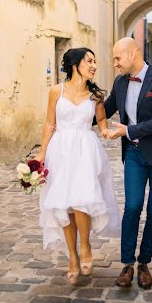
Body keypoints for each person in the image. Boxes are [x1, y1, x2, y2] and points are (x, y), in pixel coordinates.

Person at [35, 47, 120, 284]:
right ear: (75, 64)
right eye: (89, 61)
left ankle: (85, 246)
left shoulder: (96, 96)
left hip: (85, 150)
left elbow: (101, 120)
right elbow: (50, 123)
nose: (94, 65)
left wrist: (107, 132)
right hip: (60, 151)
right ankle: (72, 257)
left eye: (95, 61)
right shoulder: (56, 91)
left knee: (83, 200)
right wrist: (42, 153)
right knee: (64, 204)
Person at [105, 37, 152, 289]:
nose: (115, 63)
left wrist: (128, 131)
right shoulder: (119, 82)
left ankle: (144, 263)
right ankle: (127, 264)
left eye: (118, 58)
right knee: (132, 207)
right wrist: (71, 108)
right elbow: (103, 111)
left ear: (133, 53)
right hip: (135, 156)